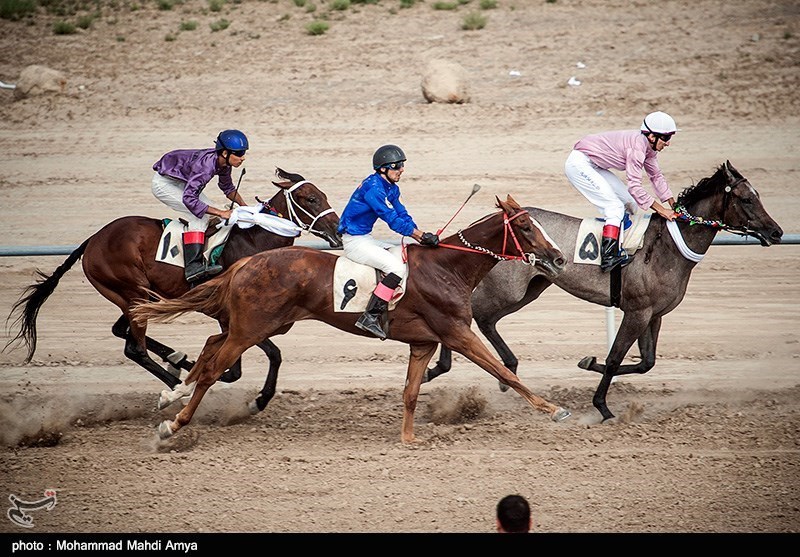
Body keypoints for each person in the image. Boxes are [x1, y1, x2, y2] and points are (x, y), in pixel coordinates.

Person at [337, 144, 440, 340]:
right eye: (398, 166)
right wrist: (418, 235)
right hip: (354, 242)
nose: (402, 169)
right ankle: (370, 316)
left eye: (402, 165)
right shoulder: (373, 188)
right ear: (383, 168)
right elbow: (390, 218)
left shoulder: (391, 187)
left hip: (365, 238)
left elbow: (402, 213)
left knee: (401, 254)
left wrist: (420, 233)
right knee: (396, 268)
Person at [564, 111, 679, 272]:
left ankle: (620, 234)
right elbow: (635, 187)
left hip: (595, 165)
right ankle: (609, 256)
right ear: (652, 136)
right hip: (579, 164)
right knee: (615, 207)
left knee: (629, 202)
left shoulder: (650, 149)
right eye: (666, 138)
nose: (668, 143)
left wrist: (674, 205)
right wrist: (662, 211)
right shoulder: (637, 148)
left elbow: (656, 176)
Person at [151, 129, 249, 283]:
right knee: (201, 217)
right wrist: (221, 213)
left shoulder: (224, 163)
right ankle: (193, 266)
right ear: (225, 153)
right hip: (165, 184)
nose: (242, 158)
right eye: (239, 153)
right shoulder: (206, 167)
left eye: (243, 153)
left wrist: (245, 207)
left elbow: (228, 188)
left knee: (212, 211)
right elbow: (189, 199)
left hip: (182, 181)